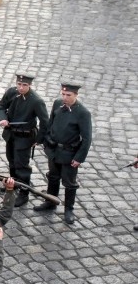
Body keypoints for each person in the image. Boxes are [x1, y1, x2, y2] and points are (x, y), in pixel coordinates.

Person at [33, 82, 93, 224]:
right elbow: (50, 124)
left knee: (69, 182)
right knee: (53, 177)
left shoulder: (83, 113)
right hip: (54, 150)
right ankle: (50, 201)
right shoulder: (57, 104)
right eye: (63, 94)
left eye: (68, 95)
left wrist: (79, 157)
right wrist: (44, 140)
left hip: (69, 153)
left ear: (76, 95)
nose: (65, 97)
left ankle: (69, 209)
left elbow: (87, 138)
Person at [0, 74, 49, 207]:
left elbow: (45, 121)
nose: (21, 88)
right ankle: (13, 184)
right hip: (11, 134)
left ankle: (24, 193)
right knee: (12, 161)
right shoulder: (11, 92)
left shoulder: (36, 101)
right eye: (19, 84)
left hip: (25, 137)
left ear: (29, 85)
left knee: (22, 166)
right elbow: (1, 106)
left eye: (24, 85)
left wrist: (39, 139)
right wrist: (2, 118)